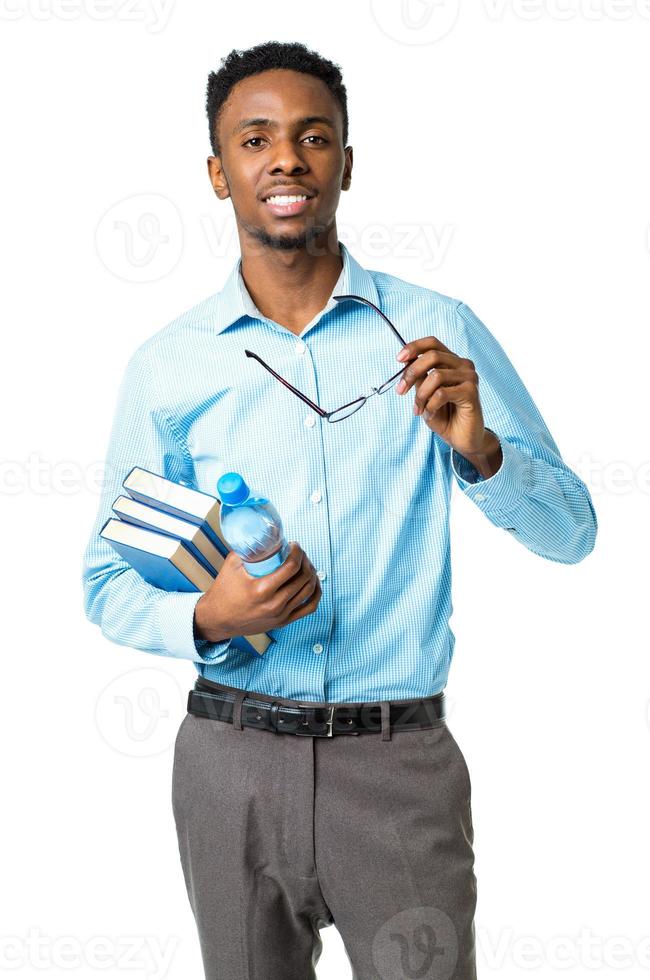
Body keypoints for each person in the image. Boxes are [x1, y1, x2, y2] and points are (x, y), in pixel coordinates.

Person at [82, 40, 598, 980]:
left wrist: (480, 453)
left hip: (398, 770)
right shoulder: (168, 365)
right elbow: (105, 583)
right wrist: (210, 616)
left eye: (314, 137)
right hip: (228, 765)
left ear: (346, 165)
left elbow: (573, 534)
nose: (286, 158)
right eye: (255, 139)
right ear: (218, 171)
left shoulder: (436, 331)